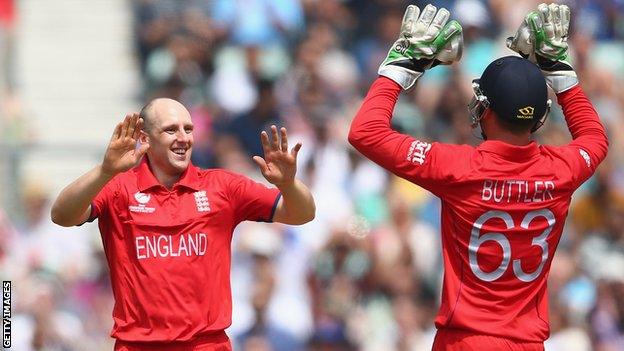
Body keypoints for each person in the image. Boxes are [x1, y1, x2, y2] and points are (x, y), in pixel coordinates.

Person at [348, 3, 608, 350]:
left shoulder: (458, 167)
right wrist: (560, 71)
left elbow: (365, 132)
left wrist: (401, 67)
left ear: (483, 108)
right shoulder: (563, 169)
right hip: (527, 344)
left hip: (465, 342)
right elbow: (595, 139)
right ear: (541, 118)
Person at [50, 98, 315, 350]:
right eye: (171, 130)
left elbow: (301, 214)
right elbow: (62, 215)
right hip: (139, 346)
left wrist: (288, 184)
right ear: (145, 139)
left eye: (188, 129)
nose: (183, 138)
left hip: (206, 344)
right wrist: (105, 171)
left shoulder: (222, 186)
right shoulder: (119, 188)